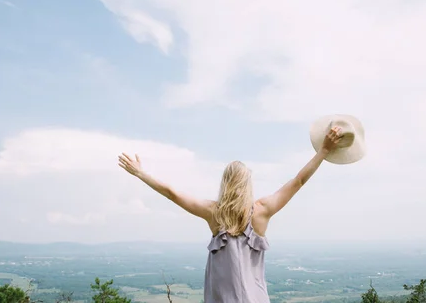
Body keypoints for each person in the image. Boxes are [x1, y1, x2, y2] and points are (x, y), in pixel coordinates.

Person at [118, 126, 345, 303]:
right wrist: (323, 150)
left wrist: (140, 173)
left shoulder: (213, 213)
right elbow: (298, 181)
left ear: (225, 183)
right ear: (248, 184)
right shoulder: (262, 211)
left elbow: (172, 194)